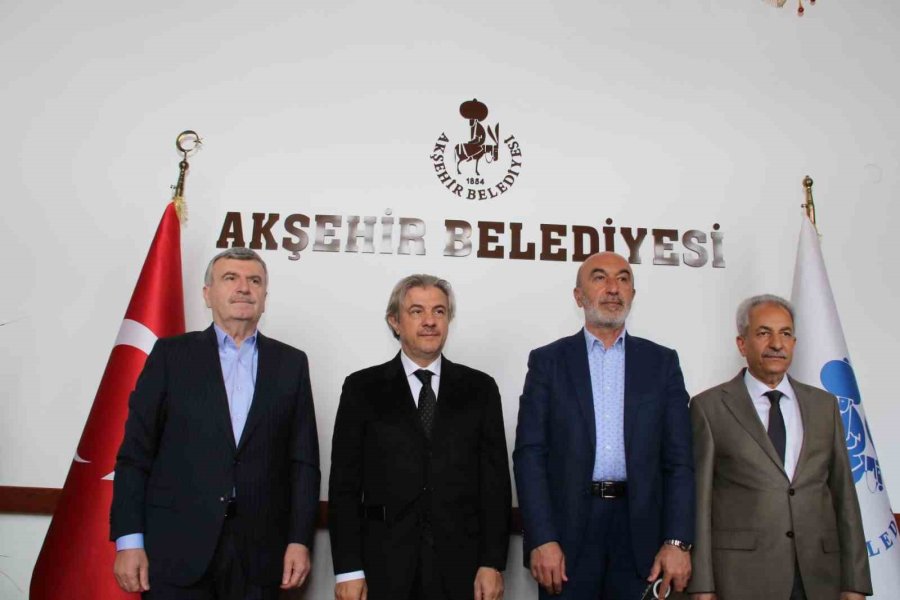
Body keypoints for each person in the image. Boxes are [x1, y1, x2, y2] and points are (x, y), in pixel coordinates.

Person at [110, 247, 320, 599]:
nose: (244, 288)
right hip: (176, 549)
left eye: (255, 281)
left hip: (260, 555)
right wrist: (129, 541)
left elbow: (303, 464)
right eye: (230, 278)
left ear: (265, 298)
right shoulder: (170, 356)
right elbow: (135, 454)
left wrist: (299, 540)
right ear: (207, 294)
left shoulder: (291, 364)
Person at [514, 252, 694, 599]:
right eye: (600, 278)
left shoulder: (662, 363)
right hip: (566, 539)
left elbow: (680, 461)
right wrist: (542, 537)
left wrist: (677, 541)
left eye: (623, 279)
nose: (614, 288)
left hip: (642, 534)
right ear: (579, 296)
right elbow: (529, 455)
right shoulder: (548, 362)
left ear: (633, 295)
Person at [328, 274, 511, 600]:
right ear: (395, 321)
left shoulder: (480, 389)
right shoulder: (361, 389)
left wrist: (492, 563)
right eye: (417, 311)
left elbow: (494, 485)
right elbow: (344, 487)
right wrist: (348, 569)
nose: (430, 321)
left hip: (462, 569)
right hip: (382, 567)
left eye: (439, 312)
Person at [688, 294, 871, 600]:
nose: (776, 344)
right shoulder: (709, 408)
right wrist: (703, 587)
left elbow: (845, 497)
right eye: (764, 333)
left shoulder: (824, 406)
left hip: (818, 576)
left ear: (794, 343)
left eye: (785, 334)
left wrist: (854, 583)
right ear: (742, 344)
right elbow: (700, 503)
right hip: (742, 579)